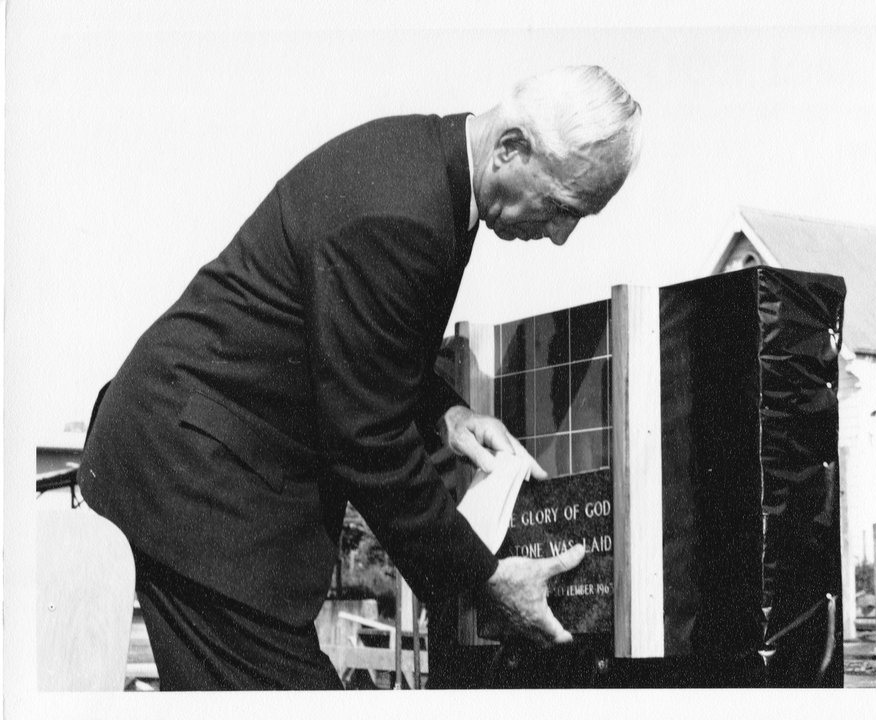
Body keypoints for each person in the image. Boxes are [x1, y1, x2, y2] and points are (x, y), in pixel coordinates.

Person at [78, 65, 642, 690]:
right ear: (512, 149)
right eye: (562, 207)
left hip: (200, 467)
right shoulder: (404, 216)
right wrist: (484, 579)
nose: (561, 236)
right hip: (199, 480)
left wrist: (446, 414)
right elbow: (368, 441)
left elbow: (355, 338)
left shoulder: (426, 172)